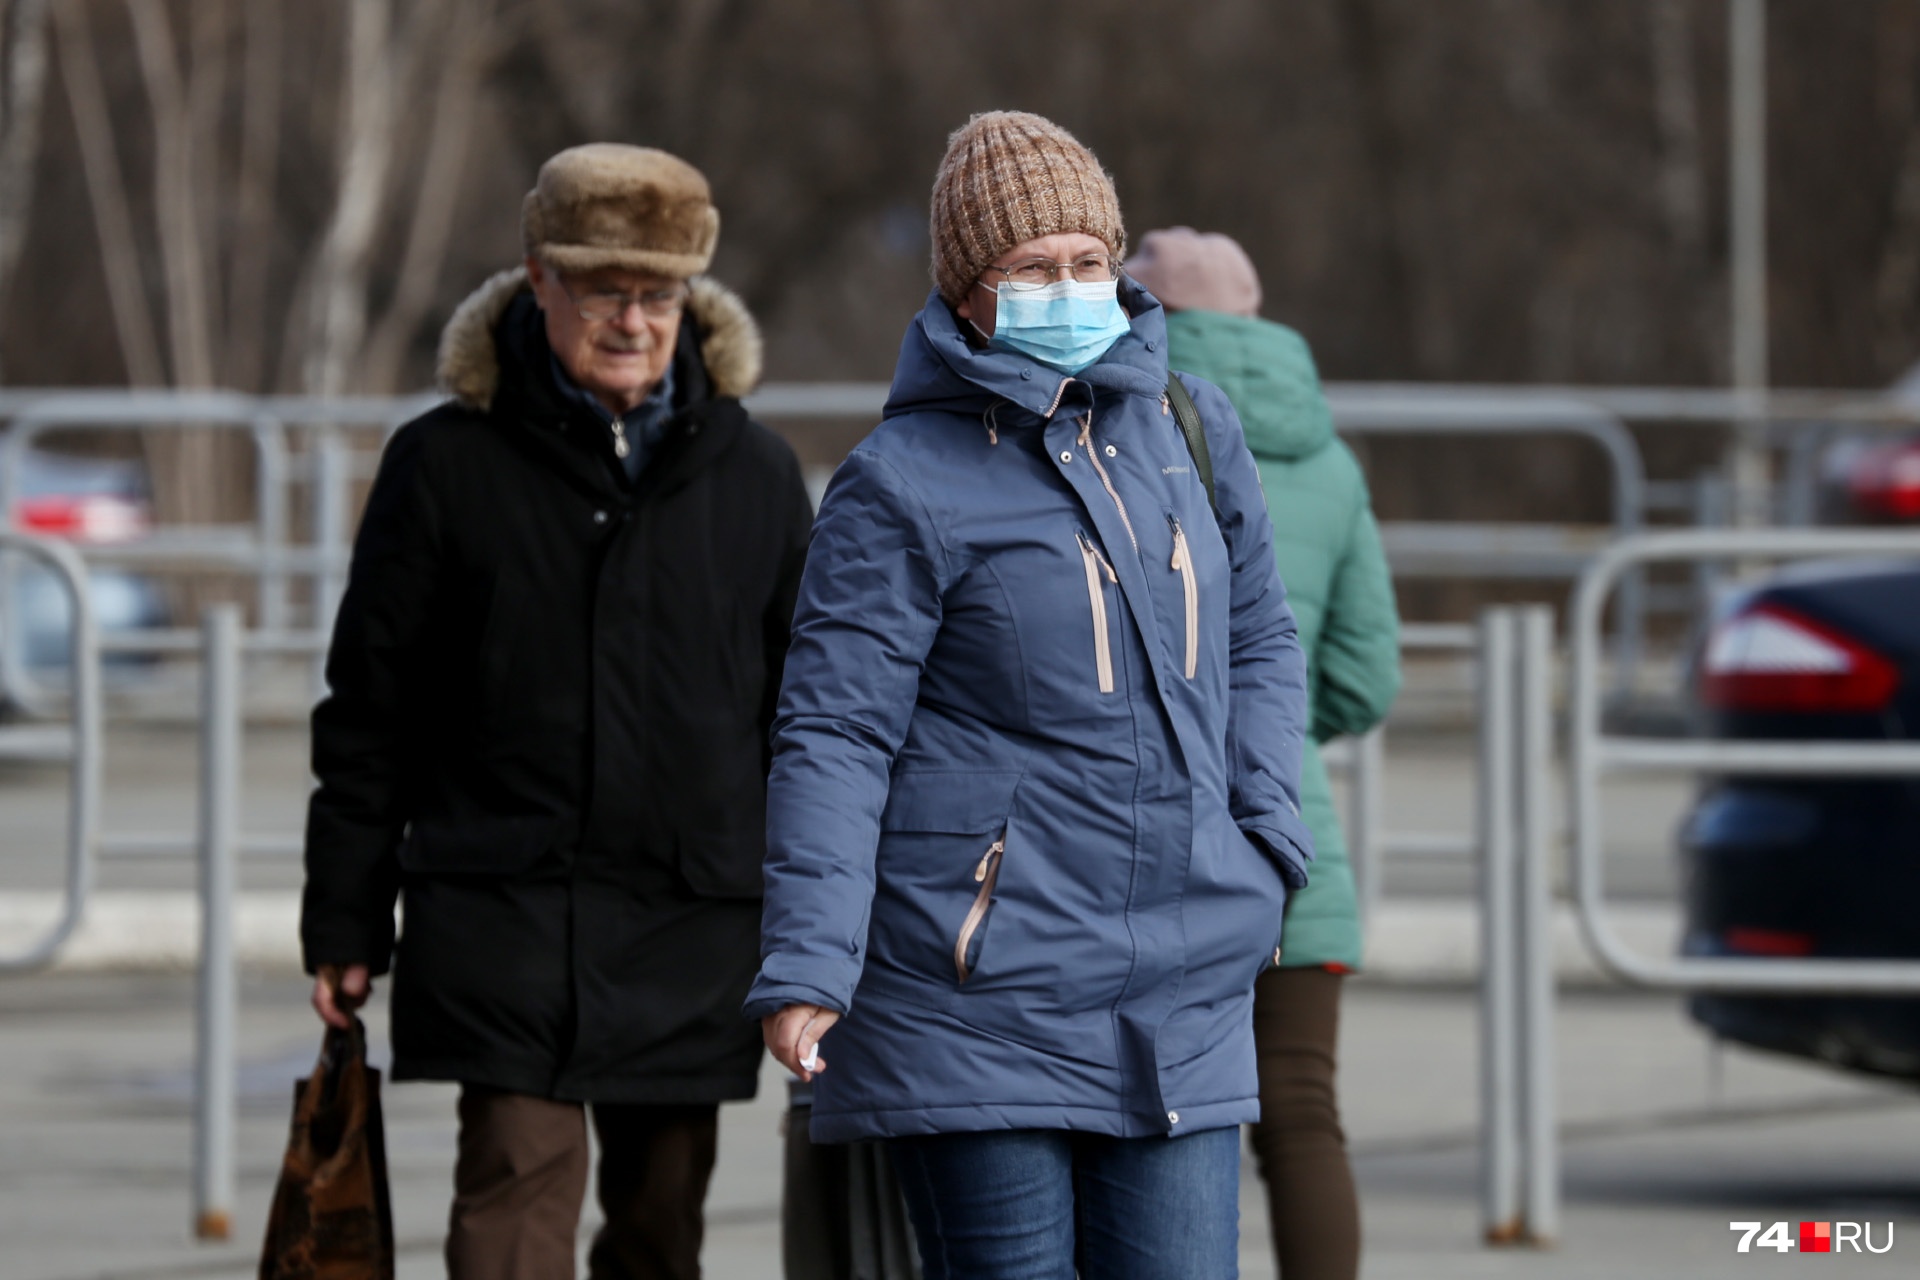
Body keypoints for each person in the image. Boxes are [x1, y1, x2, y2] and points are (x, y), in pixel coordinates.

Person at [745, 111, 1315, 1280]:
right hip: (974, 992)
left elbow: (1260, 636)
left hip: (1183, 976)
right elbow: (835, 733)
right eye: (1032, 268)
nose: (1070, 286)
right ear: (967, 294)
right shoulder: (896, 484)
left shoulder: (1194, 434)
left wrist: (1265, 834)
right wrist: (808, 959)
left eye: (1089, 262)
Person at [299, 143, 813, 1280]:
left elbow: (803, 720)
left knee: (661, 1225)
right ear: (539, 281)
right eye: (604, 292)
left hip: (692, 920)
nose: (633, 321)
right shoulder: (440, 465)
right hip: (505, 912)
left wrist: (826, 928)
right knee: (511, 1203)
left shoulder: (758, 475)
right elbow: (371, 710)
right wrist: (344, 915)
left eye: (659, 295)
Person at [1129, 227, 1401, 1280]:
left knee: (1146, 1119)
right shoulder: (1327, 455)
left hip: (1150, 845)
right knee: (1300, 1112)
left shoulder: (1119, 426)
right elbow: (1368, 673)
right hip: (1296, 844)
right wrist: (1273, 731)